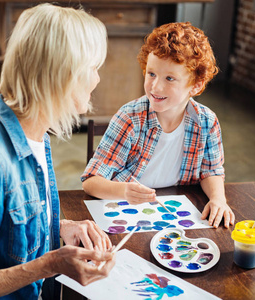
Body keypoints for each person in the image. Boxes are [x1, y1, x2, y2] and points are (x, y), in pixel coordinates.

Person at [0, 4, 115, 299]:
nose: (97, 79)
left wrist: (59, 228)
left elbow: (7, 226)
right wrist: (50, 263)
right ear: (62, 75)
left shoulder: (32, 132)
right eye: (92, 69)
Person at [81, 22, 235, 229]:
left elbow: (211, 171)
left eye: (170, 78)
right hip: (124, 215)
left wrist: (218, 199)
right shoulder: (130, 118)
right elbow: (91, 182)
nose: (155, 86)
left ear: (196, 86)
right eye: (151, 73)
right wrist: (124, 191)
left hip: (173, 216)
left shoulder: (206, 122)